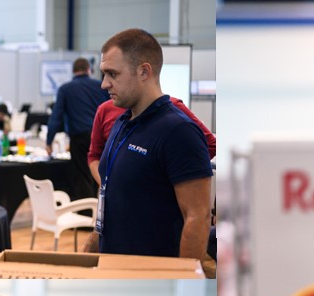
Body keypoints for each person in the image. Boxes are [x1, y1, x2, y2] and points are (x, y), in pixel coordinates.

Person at [95, 29, 213, 261]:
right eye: (104, 74)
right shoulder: (122, 122)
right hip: (112, 266)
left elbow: (198, 216)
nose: (104, 84)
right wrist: (94, 242)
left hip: (154, 272)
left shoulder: (179, 131)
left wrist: (184, 276)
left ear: (144, 71)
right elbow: (112, 194)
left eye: (112, 74)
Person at [88, 95, 215, 186]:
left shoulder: (171, 108)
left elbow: (210, 144)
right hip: (115, 202)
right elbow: (94, 156)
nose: (105, 84)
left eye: (114, 74)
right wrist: (109, 185)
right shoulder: (106, 110)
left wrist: (175, 177)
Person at [46, 57, 109, 199]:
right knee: (100, 175)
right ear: (89, 70)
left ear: (73, 71)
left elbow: (56, 118)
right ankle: (99, 208)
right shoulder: (101, 86)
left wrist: (49, 141)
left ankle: (86, 210)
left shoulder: (65, 89)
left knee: (82, 176)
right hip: (101, 137)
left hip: (79, 138)